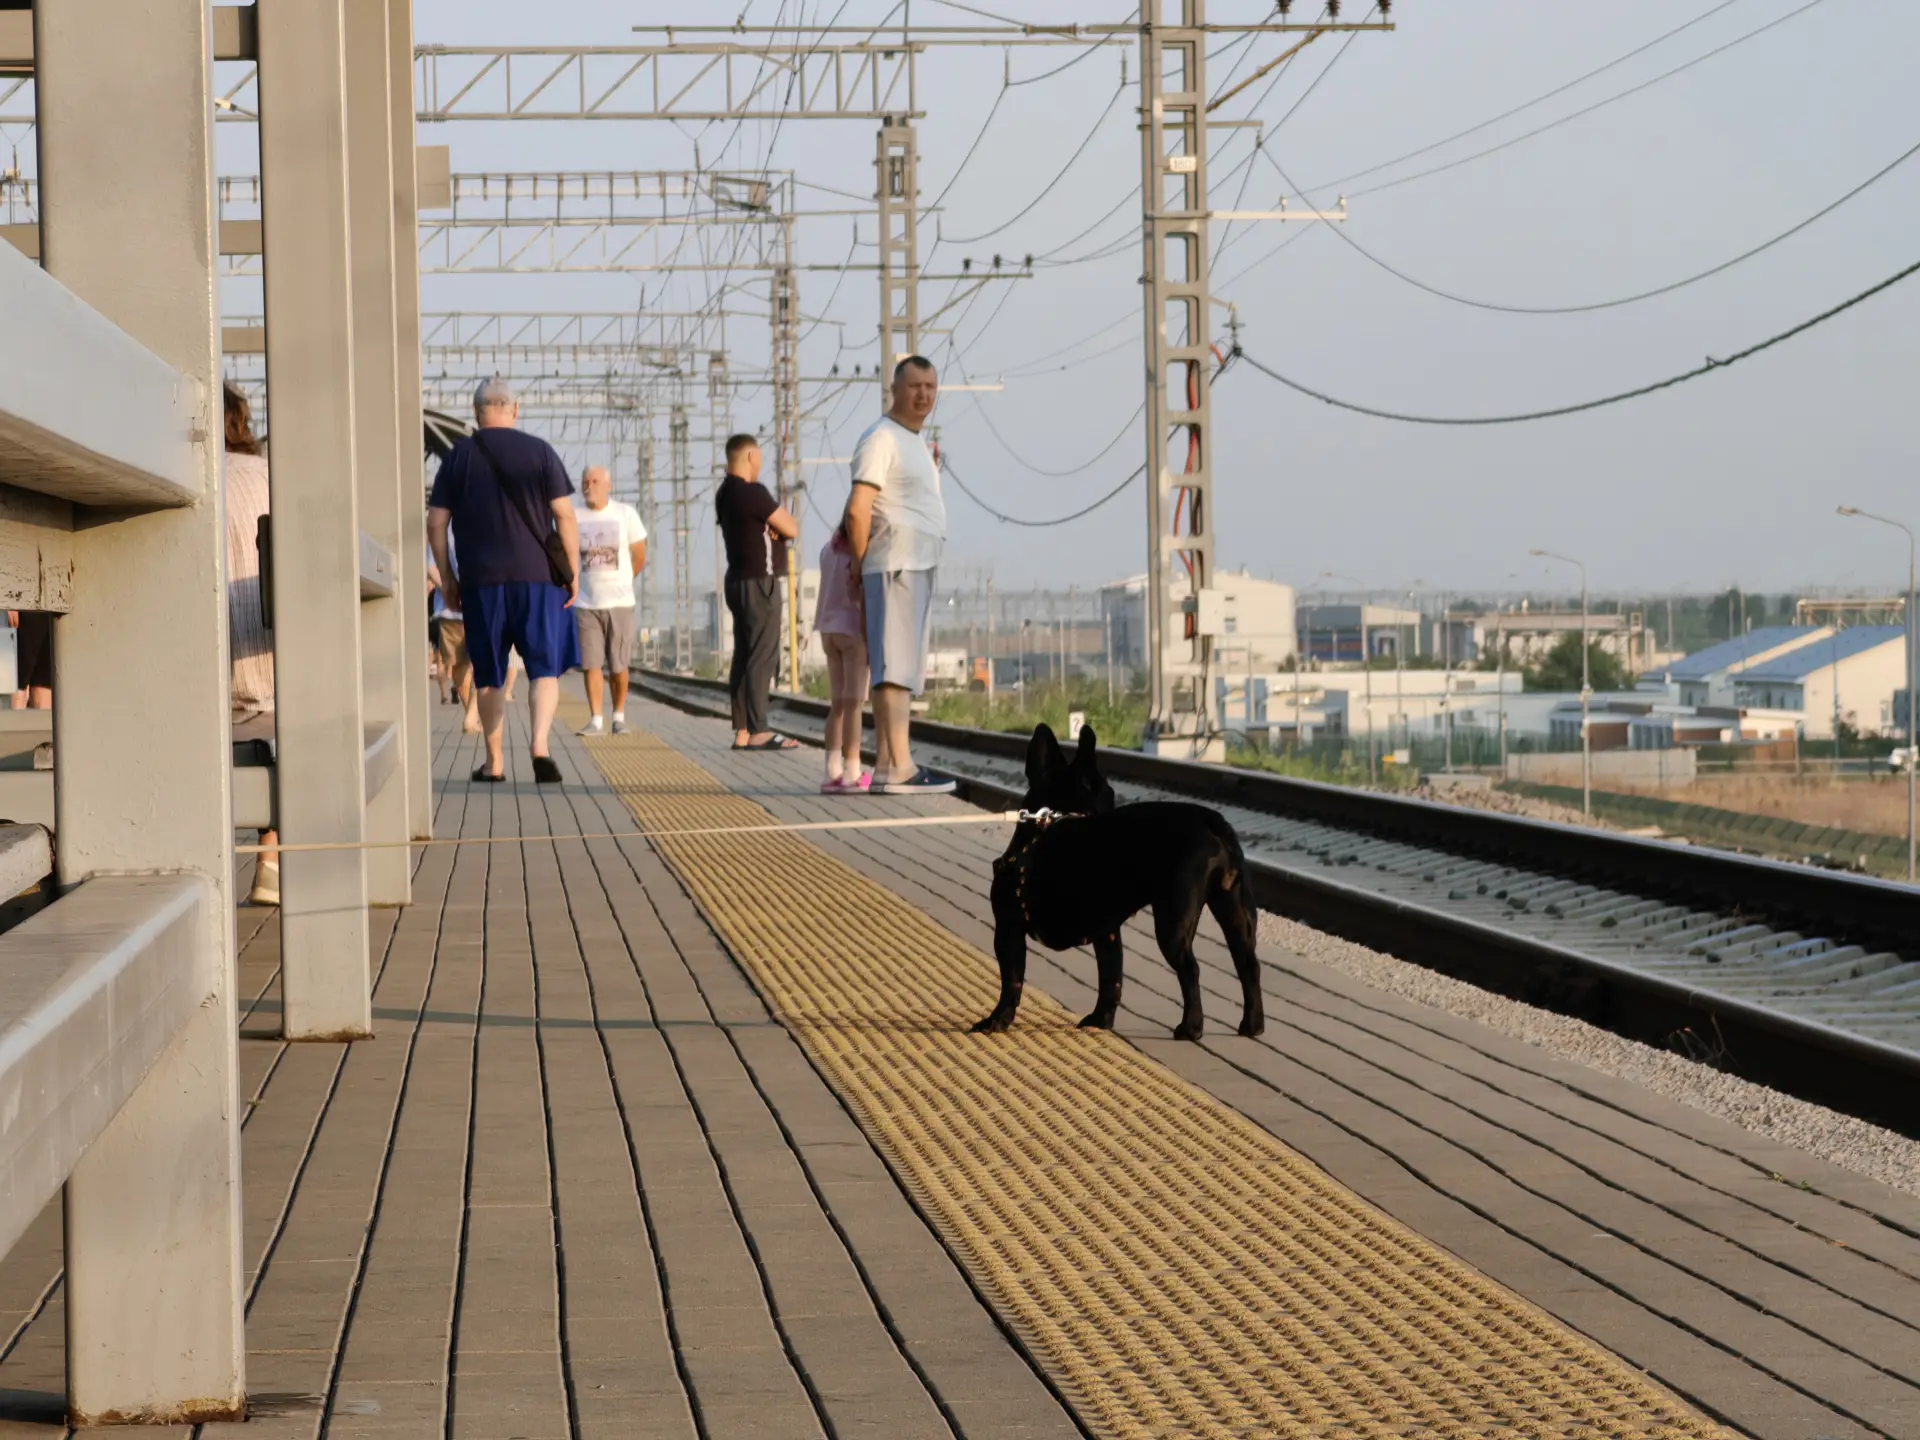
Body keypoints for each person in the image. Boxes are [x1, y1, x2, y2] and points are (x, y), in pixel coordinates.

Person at [426, 376, 581, 785]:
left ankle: (494, 763)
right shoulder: (540, 452)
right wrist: (573, 569)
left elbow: (436, 522)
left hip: (482, 582)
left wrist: (447, 577)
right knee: (542, 669)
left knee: (490, 674)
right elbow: (564, 515)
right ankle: (540, 748)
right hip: (539, 580)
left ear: (476, 414)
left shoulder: (459, 456)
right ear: (514, 410)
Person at [843, 356, 955, 794]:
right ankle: (903, 769)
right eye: (915, 386)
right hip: (894, 562)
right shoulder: (881, 438)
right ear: (895, 389)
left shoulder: (915, 441)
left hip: (915, 562)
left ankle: (888, 767)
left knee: (902, 666)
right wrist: (858, 561)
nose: (924, 394)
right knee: (893, 666)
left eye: (930, 386)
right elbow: (858, 508)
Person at [223, 382, 280, 905]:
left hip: (206, 664)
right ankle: (270, 860)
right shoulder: (270, 477)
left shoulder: (186, 474)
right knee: (271, 724)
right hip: (267, 657)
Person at [715, 433, 800, 750]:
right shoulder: (754, 493)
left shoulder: (724, 494)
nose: (761, 463)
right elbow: (790, 528)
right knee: (763, 654)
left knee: (744, 654)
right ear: (750, 457)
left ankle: (742, 730)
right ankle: (759, 728)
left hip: (735, 580)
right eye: (759, 456)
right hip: (760, 582)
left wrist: (772, 527)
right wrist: (777, 528)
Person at [571, 464, 647, 736]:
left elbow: (639, 555)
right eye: (585, 481)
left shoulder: (625, 514)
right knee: (591, 663)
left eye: (594, 481)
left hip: (620, 603)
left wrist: (624, 581)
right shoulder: (573, 515)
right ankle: (595, 719)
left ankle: (618, 716)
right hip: (586, 603)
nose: (588, 486)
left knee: (618, 665)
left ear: (607, 485)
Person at [814, 520, 870, 793]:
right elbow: (858, 594)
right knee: (854, 704)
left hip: (827, 630)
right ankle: (852, 772)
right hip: (851, 631)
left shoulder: (828, 550)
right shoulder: (857, 554)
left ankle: (831, 773)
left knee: (837, 705)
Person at [426, 539, 479, 733]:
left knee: (458, 664)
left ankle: (471, 715)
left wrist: (448, 588)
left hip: (448, 609)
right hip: (480, 604)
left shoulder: (442, 524)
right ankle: (472, 713)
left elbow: (430, 566)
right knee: (481, 662)